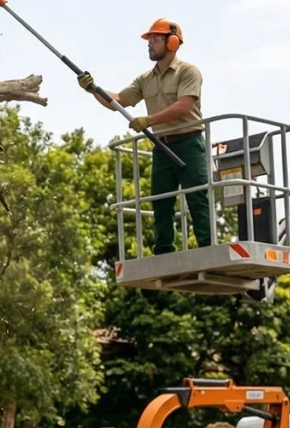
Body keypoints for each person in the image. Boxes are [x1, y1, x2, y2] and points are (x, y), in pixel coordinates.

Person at [78, 18, 210, 256]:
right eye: (149, 40)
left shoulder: (188, 72)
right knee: (160, 201)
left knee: (197, 199)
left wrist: (149, 120)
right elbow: (118, 99)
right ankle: (164, 253)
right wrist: (93, 88)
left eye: (155, 39)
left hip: (190, 142)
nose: (149, 44)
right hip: (162, 145)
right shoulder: (145, 79)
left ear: (172, 42)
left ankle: (209, 251)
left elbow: (184, 106)